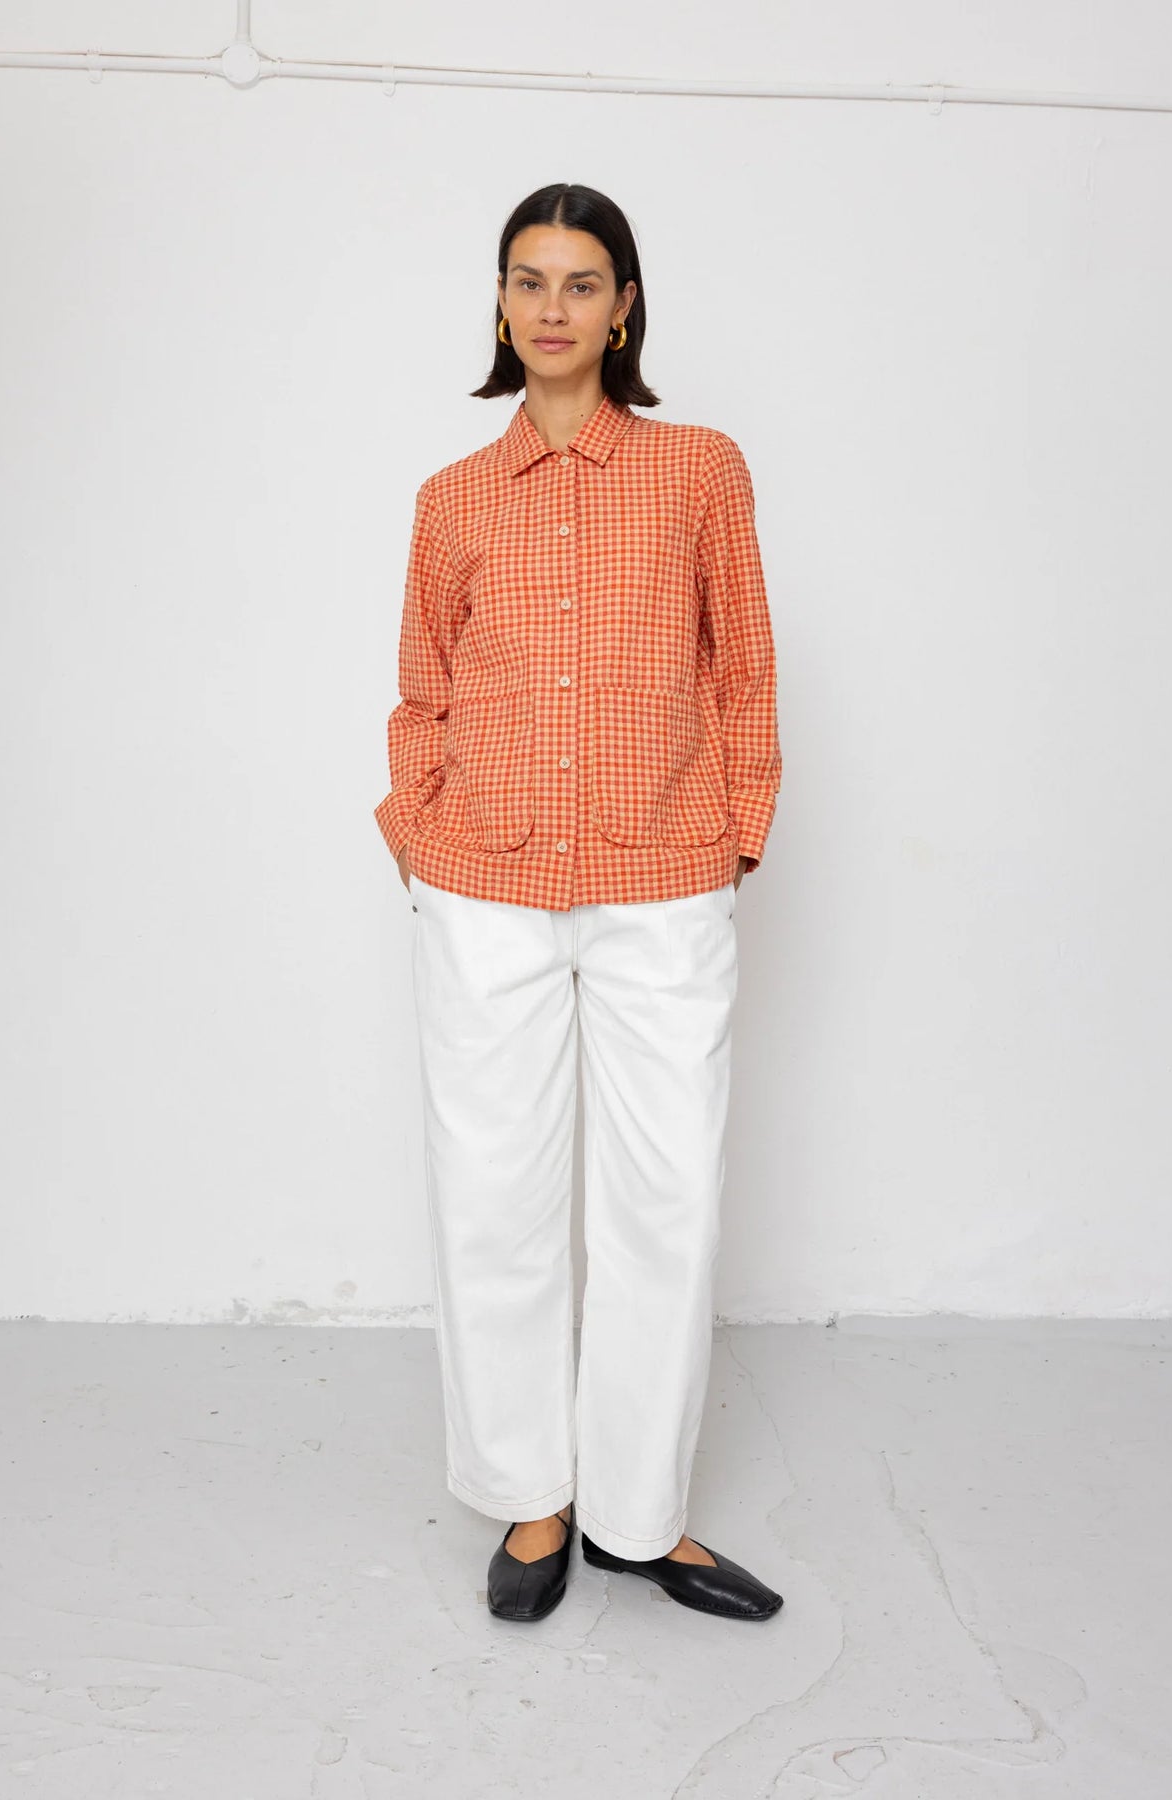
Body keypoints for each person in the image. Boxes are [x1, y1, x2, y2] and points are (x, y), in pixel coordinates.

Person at [374, 183, 784, 1624]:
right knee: (492, 1198)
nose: (552, 307)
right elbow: (423, 689)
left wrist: (734, 835)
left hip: (661, 880)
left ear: (625, 308)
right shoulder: (451, 499)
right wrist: (418, 835)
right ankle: (533, 1499)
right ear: (500, 302)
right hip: (485, 884)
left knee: (667, 1202)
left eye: (582, 282)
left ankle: (640, 1516)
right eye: (529, 280)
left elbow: (742, 666)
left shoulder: (700, 471)